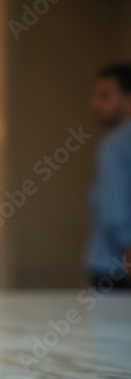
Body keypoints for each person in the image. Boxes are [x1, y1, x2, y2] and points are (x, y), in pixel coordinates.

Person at [86, 63, 131, 290]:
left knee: (112, 326)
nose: (95, 103)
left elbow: (116, 214)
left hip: (115, 267)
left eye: (105, 96)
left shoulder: (113, 145)